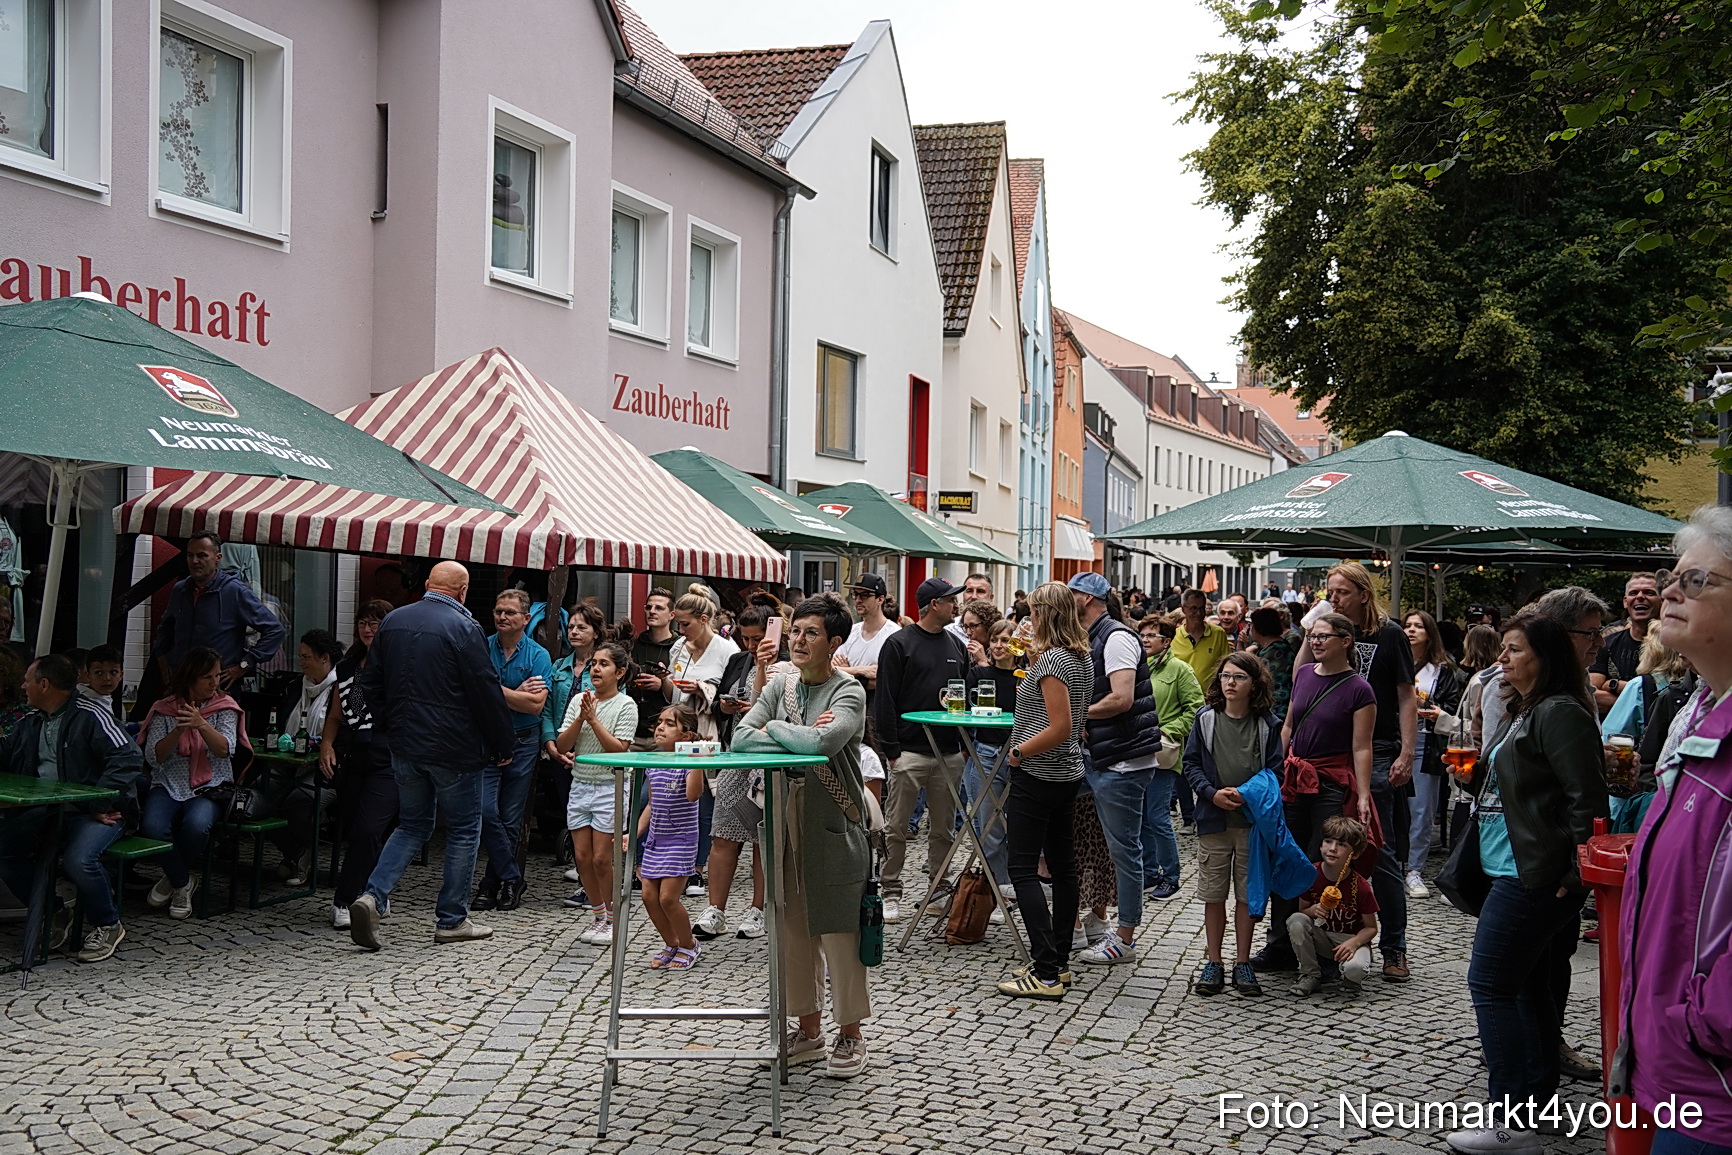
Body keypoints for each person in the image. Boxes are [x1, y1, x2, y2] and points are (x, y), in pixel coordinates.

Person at [1447, 610, 1607, 1155]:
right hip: (1508, 865)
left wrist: (1574, 874)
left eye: (1513, 649)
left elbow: (1588, 802)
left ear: (1544, 655)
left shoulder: (1561, 711)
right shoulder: (1526, 708)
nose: (1502, 657)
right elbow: (1525, 789)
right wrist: (1476, 777)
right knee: (1529, 988)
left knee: (1490, 984)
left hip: (1533, 874)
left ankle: (1509, 1121)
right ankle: (1535, 1105)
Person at [1610, 509, 1732, 1155]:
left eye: (1697, 580)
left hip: (1716, 1081)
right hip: (1678, 1070)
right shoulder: (1699, 713)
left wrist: (1706, 1017)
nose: (1669, 593)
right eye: (1672, 577)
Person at [734, 594, 873, 1078]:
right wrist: (783, 725)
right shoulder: (782, 687)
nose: (798, 640)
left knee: (839, 929)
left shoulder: (848, 692)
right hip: (782, 818)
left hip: (833, 818)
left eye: (811, 633)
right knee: (791, 927)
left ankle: (851, 1035)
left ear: (834, 643)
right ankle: (809, 1030)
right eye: (796, 631)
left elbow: (823, 744)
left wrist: (773, 728)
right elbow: (739, 737)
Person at [349, 561, 515, 951]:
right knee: (462, 830)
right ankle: (452, 919)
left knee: (411, 825)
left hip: (404, 745)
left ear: (427, 585)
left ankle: (373, 896)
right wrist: (502, 743)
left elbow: (369, 683)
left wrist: (392, 726)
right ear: (462, 591)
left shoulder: (393, 621)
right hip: (454, 749)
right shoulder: (464, 628)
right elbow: (485, 691)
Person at [1274, 562, 1414, 983]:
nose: (1332, 598)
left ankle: (1393, 946)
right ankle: (1298, 939)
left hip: (1377, 749)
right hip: (1318, 761)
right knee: (1307, 850)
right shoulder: (1318, 636)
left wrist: (1408, 751)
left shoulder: (1388, 635)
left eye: (1340, 592)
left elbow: (1406, 696)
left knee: (1375, 848)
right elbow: (1299, 685)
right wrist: (1312, 625)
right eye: (1329, 592)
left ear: (1363, 594)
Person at [0, 654, 142, 963]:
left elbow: (128, 757)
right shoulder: (32, 720)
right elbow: (6, 753)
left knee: (81, 859)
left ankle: (108, 923)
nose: (23, 686)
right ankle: (54, 914)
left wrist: (97, 802)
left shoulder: (90, 714)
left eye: (28, 680)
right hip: (50, 810)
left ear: (45, 684)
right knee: (5, 850)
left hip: (100, 810)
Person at [995, 582, 1094, 1000]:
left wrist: (1018, 752)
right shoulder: (1079, 656)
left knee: (1022, 868)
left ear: (1047, 615)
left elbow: (1061, 726)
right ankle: (1059, 961)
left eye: (1034, 612)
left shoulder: (1054, 661)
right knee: (1063, 865)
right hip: (1067, 772)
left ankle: (1047, 969)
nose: (1028, 618)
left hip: (1040, 772)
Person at [1066, 571, 1164, 966]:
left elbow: (1121, 699)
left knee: (1124, 850)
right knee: (1068, 832)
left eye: (1071, 593)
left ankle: (1124, 937)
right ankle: (1083, 921)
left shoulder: (1117, 637)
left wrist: (1074, 715)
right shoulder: (1093, 636)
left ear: (1086, 599)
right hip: (1102, 756)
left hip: (1123, 761)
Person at [1184, 652, 1284, 997]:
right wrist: (1211, 794)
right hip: (1214, 821)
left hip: (1251, 824)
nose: (1230, 683)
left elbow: (1275, 772)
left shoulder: (1267, 724)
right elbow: (1191, 764)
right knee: (1214, 894)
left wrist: (1248, 795)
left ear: (1253, 684)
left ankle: (1243, 960)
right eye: (1226, 676)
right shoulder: (1206, 719)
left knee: (1247, 894)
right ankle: (1214, 960)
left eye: (1239, 677)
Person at [873, 576, 970, 922]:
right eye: (950, 600)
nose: (956, 605)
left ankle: (938, 890)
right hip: (909, 751)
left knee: (943, 829)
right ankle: (890, 891)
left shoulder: (957, 647)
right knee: (896, 826)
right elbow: (884, 700)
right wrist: (893, 749)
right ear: (933, 605)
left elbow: (967, 698)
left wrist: (963, 746)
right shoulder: (899, 644)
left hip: (948, 754)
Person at [138, 646, 244, 919]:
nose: (214, 683)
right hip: (170, 782)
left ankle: (173, 879)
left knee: (197, 826)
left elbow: (226, 749)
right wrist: (179, 730)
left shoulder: (225, 707)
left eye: (217, 676)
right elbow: (154, 756)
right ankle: (183, 881)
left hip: (211, 785)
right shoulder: (165, 709)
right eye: (207, 677)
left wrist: (201, 725)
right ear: (190, 678)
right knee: (152, 827)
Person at [693, 606, 777, 942]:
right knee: (723, 835)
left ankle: (759, 909)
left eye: (759, 638)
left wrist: (752, 706)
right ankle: (716, 909)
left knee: (763, 840)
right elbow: (716, 706)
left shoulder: (783, 664)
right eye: (746, 637)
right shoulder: (736, 661)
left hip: (767, 759)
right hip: (734, 753)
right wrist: (724, 706)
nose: (752, 644)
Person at [474, 589, 552, 913]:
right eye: (497, 611)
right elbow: (471, 696)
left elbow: (535, 706)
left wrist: (493, 690)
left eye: (509, 612)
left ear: (525, 618)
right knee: (484, 810)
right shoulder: (479, 647)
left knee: (509, 817)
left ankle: (491, 884)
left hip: (523, 742)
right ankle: (511, 876)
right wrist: (509, 694)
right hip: (487, 740)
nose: (502, 617)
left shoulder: (538, 656)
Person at [554, 641, 637, 946]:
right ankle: (598, 915)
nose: (596, 669)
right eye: (594, 664)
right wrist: (580, 717)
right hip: (581, 784)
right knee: (582, 857)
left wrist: (593, 720)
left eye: (604, 664)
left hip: (609, 786)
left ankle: (615, 918)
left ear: (620, 672)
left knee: (603, 858)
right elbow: (563, 746)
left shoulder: (626, 705)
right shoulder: (579, 700)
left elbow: (618, 749)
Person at [322, 602, 397, 930]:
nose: (368, 629)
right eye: (363, 623)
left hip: (389, 756)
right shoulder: (349, 666)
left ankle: (346, 899)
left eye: (375, 623)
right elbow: (336, 714)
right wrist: (326, 744)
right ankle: (375, 889)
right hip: (353, 755)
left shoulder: (399, 663)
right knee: (356, 828)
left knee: (370, 829)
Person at [150, 533, 284, 693]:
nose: (195, 561)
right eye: (190, 555)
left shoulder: (234, 591)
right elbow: (165, 627)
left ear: (217, 557)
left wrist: (244, 665)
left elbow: (275, 630)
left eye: (202, 555)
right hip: (183, 687)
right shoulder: (180, 590)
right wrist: (162, 657)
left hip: (219, 690)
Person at [636, 704, 706, 970]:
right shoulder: (655, 762)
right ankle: (671, 942)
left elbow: (693, 794)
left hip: (681, 839)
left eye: (669, 724)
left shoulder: (689, 762)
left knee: (668, 898)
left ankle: (689, 944)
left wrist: (698, 763)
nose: (660, 728)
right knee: (648, 896)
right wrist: (635, 833)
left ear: (686, 735)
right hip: (657, 838)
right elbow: (652, 804)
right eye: (660, 722)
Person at [1139, 616, 1203, 898]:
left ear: (1166, 641)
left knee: (1158, 816)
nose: (1145, 639)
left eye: (1152, 635)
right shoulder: (1137, 667)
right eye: (1142, 634)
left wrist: (1168, 730)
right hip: (1136, 750)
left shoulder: (1180, 670)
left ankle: (1172, 877)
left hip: (1164, 752)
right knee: (1141, 817)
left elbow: (1196, 709)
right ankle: (1149, 872)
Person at [1404, 609, 1464, 898]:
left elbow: (1453, 707)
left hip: (1425, 742)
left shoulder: (1443, 669)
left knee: (1422, 810)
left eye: (1418, 626)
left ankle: (1414, 868)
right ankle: (1391, 865)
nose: (1412, 630)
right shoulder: (1395, 662)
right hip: (1394, 741)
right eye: (1408, 625)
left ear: (1429, 633)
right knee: (1391, 808)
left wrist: (1436, 711)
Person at [1286, 815, 1379, 997]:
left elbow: (1371, 928)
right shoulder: (1311, 874)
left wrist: (1355, 942)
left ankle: (1351, 979)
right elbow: (1302, 910)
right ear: (1321, 845)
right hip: (1322, 935)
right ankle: (1309, 973)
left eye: (1342, 845)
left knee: (1356, 968)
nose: (1333, 849)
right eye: (1328, 841)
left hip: (1349, 938)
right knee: (1296, 920)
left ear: (1355, 854)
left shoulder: (1360, 886)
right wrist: (1312, 910)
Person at [1590, 572, 1660, 715]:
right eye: (1634, 593)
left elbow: (1667, 696)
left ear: (1663, 600)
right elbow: (1592, 695)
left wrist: (1612, 685)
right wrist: (1640, 704)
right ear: (1625, 602)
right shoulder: (1606, 644)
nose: (1640, 597)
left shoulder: (1673, 646)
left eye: (1649, 592)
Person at [834, 573, 900, 701]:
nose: (858, 600)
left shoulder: (894, 635)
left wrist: (847, 671)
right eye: (855, 594)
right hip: (846, 701)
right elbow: (831, 670)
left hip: (877, 705)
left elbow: (886, 680)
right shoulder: (851, 631)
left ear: (880, 599)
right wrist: (861, 670)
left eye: (864, 595)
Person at [628, 587, 677, 746]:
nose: (652, 611)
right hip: (633, 731)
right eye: (648, 607)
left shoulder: (681, 647)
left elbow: (687, 685)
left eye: (659, 608)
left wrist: (662, 683)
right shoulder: (633, 646)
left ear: (671, 615)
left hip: (667, 733)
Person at [1243, 607, 1300, 723]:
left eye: (1252, 625)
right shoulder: (1279, 646)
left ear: (1259, 628)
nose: (1250, 629)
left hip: (1275, 712)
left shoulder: (1271, 653)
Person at [1171, 588, 1230, 686]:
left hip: (1210, 697)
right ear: (1183, 609)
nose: (1199, 613)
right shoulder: (1173, 636)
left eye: (1202, 608)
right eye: (1193, 608)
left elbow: (1226, 666)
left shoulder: (1218, 634)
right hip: (1181, 698)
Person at [78, 645, 126, 723]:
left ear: (121, 675)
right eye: (99, 673)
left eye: (113, 672)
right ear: (88, 675)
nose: (107, 678)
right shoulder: (85, 705)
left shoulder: (102, 697)